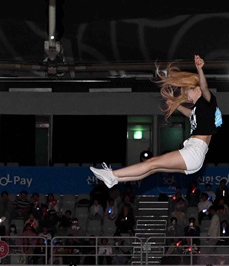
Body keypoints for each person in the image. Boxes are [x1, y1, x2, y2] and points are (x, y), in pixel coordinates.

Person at [90, 56, 221, 187]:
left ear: (197, 90)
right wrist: (176, 105)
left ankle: (112, 174)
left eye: (187, 93)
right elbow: (190, 114)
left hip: (194, 152)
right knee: (153, 168)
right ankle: (115, 179)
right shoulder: (200, 110)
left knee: (152, 163)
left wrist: (200, 69)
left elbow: (204, 87)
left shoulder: (208, 102)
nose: (187, 98)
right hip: (195, 155)